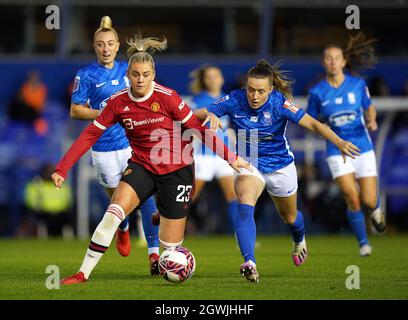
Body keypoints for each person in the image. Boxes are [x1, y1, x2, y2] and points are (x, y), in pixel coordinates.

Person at [51, 33, 249, 285]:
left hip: (177, 170)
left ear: (153, 75)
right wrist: (63, 168)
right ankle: (82, 273)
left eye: (146, 74)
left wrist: (231, 158)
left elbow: (198, 130)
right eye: (135, 74)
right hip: (143, 166)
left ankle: (163, 228)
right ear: (129, 75)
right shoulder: (118, 103)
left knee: (171, 252)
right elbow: (89, 135)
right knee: (113, 213)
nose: (141, 79)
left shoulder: (167, 97)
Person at [194, 59, 360, 282]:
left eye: (260, 91)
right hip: (248, 163)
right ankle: (249, 261)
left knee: (290, 217)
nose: (254, 96)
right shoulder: (234, 99)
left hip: (281, 165)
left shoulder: (279, 103)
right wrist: (208, 114)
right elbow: (194, 114)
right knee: (244, 203)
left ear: (270, 89)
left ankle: (299, 238)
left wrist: (339, 142)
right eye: (251, 90)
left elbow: (313, 124)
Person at [70, 16, 160, 269]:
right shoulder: (86, 75)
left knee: (146, 197)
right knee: (118, 201)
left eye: (110, 43)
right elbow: (75, 111)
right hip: (103, 149)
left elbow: (147, 93)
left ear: (118, 45)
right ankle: (123, 225)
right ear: (94, 46)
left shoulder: (127, 70)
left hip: (133, 144)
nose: (105, 49)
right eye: (100, 44)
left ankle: (154, 254)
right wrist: (105, 113)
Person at [306, 33, 386, 256]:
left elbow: (369, 106)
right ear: (324, 62)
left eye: (336, 57)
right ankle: (363, 244)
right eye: (328, 58)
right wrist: (322, 131)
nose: (332, 61)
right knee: (352, 196)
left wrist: (372, 119)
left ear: (343, 61)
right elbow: (311, 120)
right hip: (336, 149)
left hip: (362, 147)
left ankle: (376, 208)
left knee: (369, 200)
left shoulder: (358, 85)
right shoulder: (317, 92)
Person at [189, 65, 238, 231]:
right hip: (204, 155)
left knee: (233, 196)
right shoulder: (198, 100)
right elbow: (190, 124)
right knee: (189, 196)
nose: (212, 80)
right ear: (204, 80)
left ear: (222, 79)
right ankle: (168, 231)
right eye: (209, 77)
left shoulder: (229, 99)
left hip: (224, 155)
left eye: (216, 76)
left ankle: (242, 235)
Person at [24, 163, 73, 238]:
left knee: (68, 217)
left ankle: (68, 240)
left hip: (60, 213)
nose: (48, 173)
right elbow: (30, 201)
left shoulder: (62, 184)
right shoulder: (36, 185)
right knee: (38, 218)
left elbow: (68, 200)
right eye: (46, 171)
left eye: (50, 171)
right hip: (43, 212)